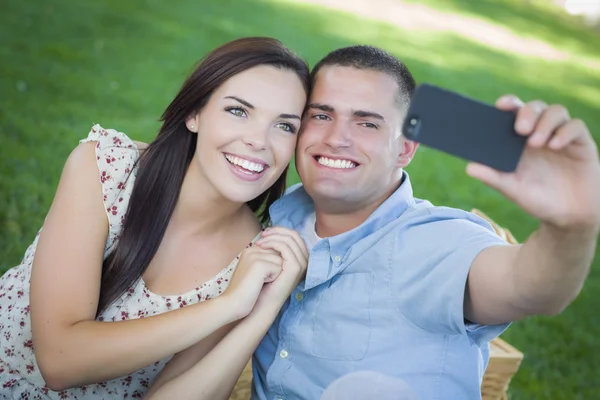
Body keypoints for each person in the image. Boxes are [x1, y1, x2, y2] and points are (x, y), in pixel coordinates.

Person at [138, 44, 599, 400]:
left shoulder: (436, 244)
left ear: (405, 149)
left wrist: (571, 227)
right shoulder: (274, 222)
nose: (337, 138)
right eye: (321, 116)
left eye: (367, 123)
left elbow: (531, 287)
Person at [0, 37, 310, 399]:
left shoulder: (253, 258)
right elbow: (59, 360)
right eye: (238, 111)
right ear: (194, 114)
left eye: (285, 126)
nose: (259, 140)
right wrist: (226, 307)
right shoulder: (107, 170)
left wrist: (259, 310)